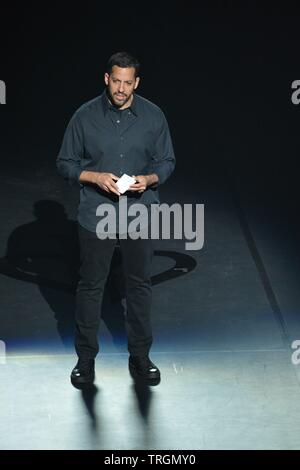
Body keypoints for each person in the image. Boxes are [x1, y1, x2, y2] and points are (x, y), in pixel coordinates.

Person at [56, 51, 175, 386]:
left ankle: (140, 357)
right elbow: (64, 162)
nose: (121, 89)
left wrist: (149, 180)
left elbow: (167, 160)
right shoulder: (84, 116)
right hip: (97, 214)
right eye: (116, 81)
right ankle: (85, 361)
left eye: (128, 82)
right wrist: (94, 177)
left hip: (139, 212)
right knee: (91, 286)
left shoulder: (153, 116)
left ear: (136, 82)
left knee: (139, 286)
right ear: (106, 78)